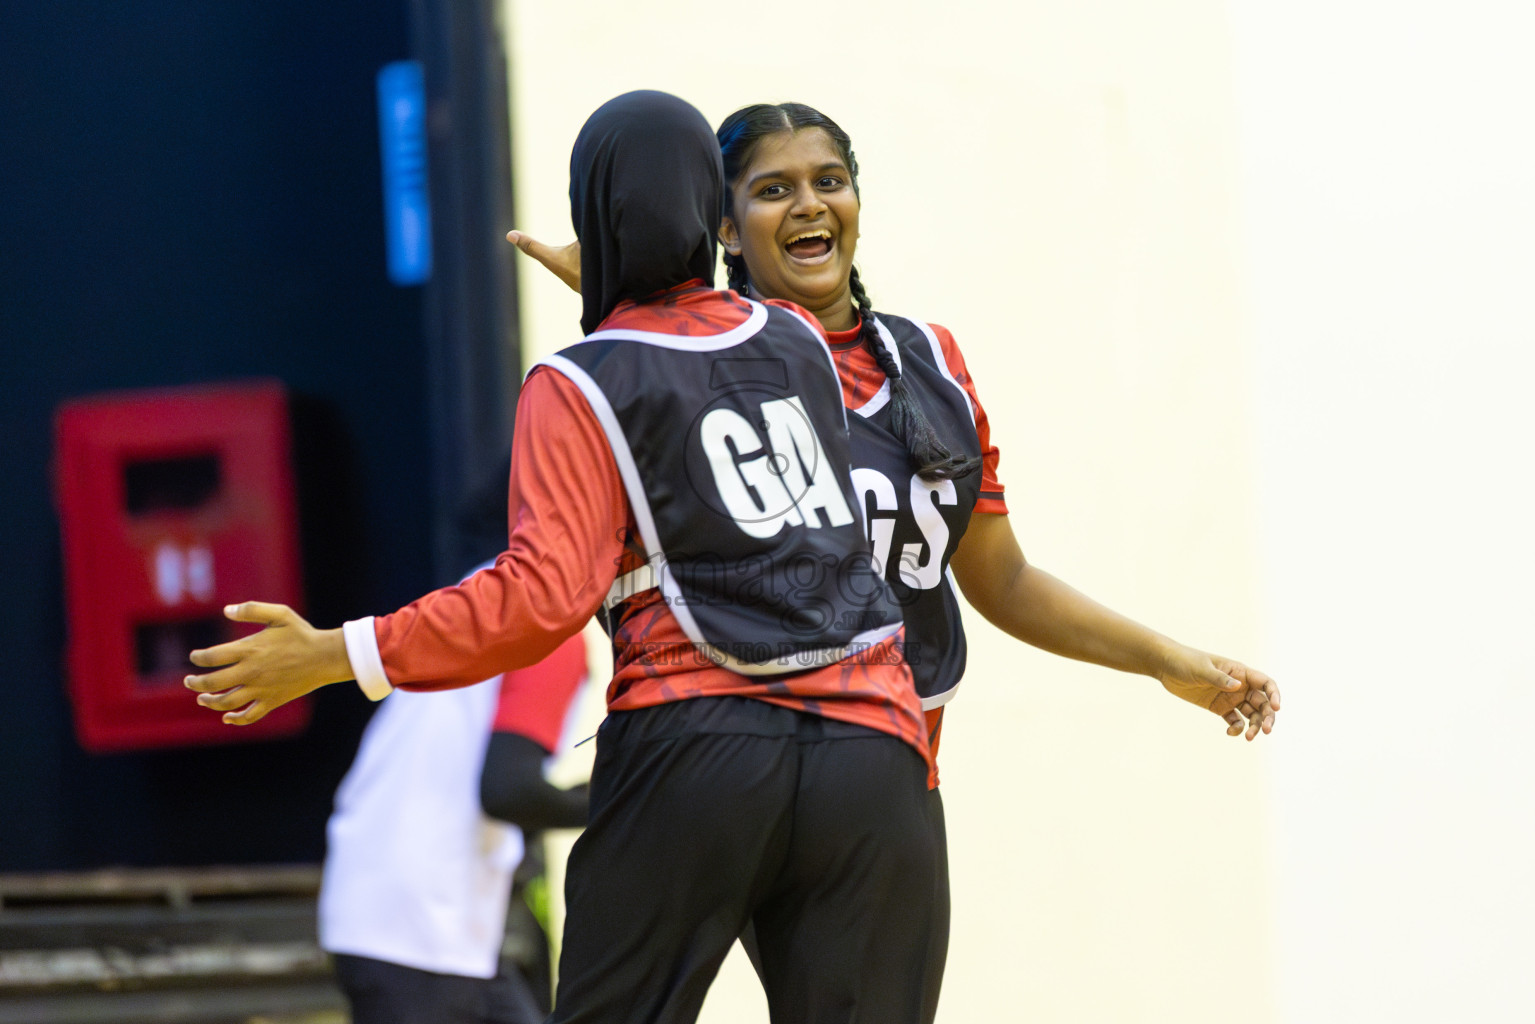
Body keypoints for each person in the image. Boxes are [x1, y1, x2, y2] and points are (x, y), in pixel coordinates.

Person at [185, 90, 952, 1024]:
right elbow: (709, 356)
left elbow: (541, 599)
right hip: (876, 749)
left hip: (698, 741)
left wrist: (336, 653)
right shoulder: (795, 340)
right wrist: (626, 287)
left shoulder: (579, 378)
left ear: (595, 208)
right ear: (710, 213)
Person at [506, 99, 1281, 1024]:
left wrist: (1168, 662)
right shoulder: (709, 362)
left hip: (877, 760)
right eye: (771, 189)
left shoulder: (930, 360)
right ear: (719, 225)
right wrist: (625, 299)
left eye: (828, 182)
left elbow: (1002, 580)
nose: (808, 206)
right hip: (736, 740)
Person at [320, 623, 589, 1024]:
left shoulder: (482, 598)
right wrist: (618, 800)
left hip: (419, 916)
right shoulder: (550, 628)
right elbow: (508, 790)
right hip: (420, 925)